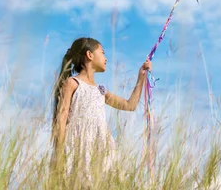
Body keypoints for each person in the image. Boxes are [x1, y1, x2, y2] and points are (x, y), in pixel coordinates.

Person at [51, 37, 151, 181]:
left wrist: (141, 78)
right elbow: (61, 118)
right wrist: (60, 152)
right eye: (102, 52)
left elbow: (130, 105)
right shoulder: (72, 83)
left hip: (100, 146)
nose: (106, 58)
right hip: (79, 145)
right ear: (89, 55)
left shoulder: (101, 90)